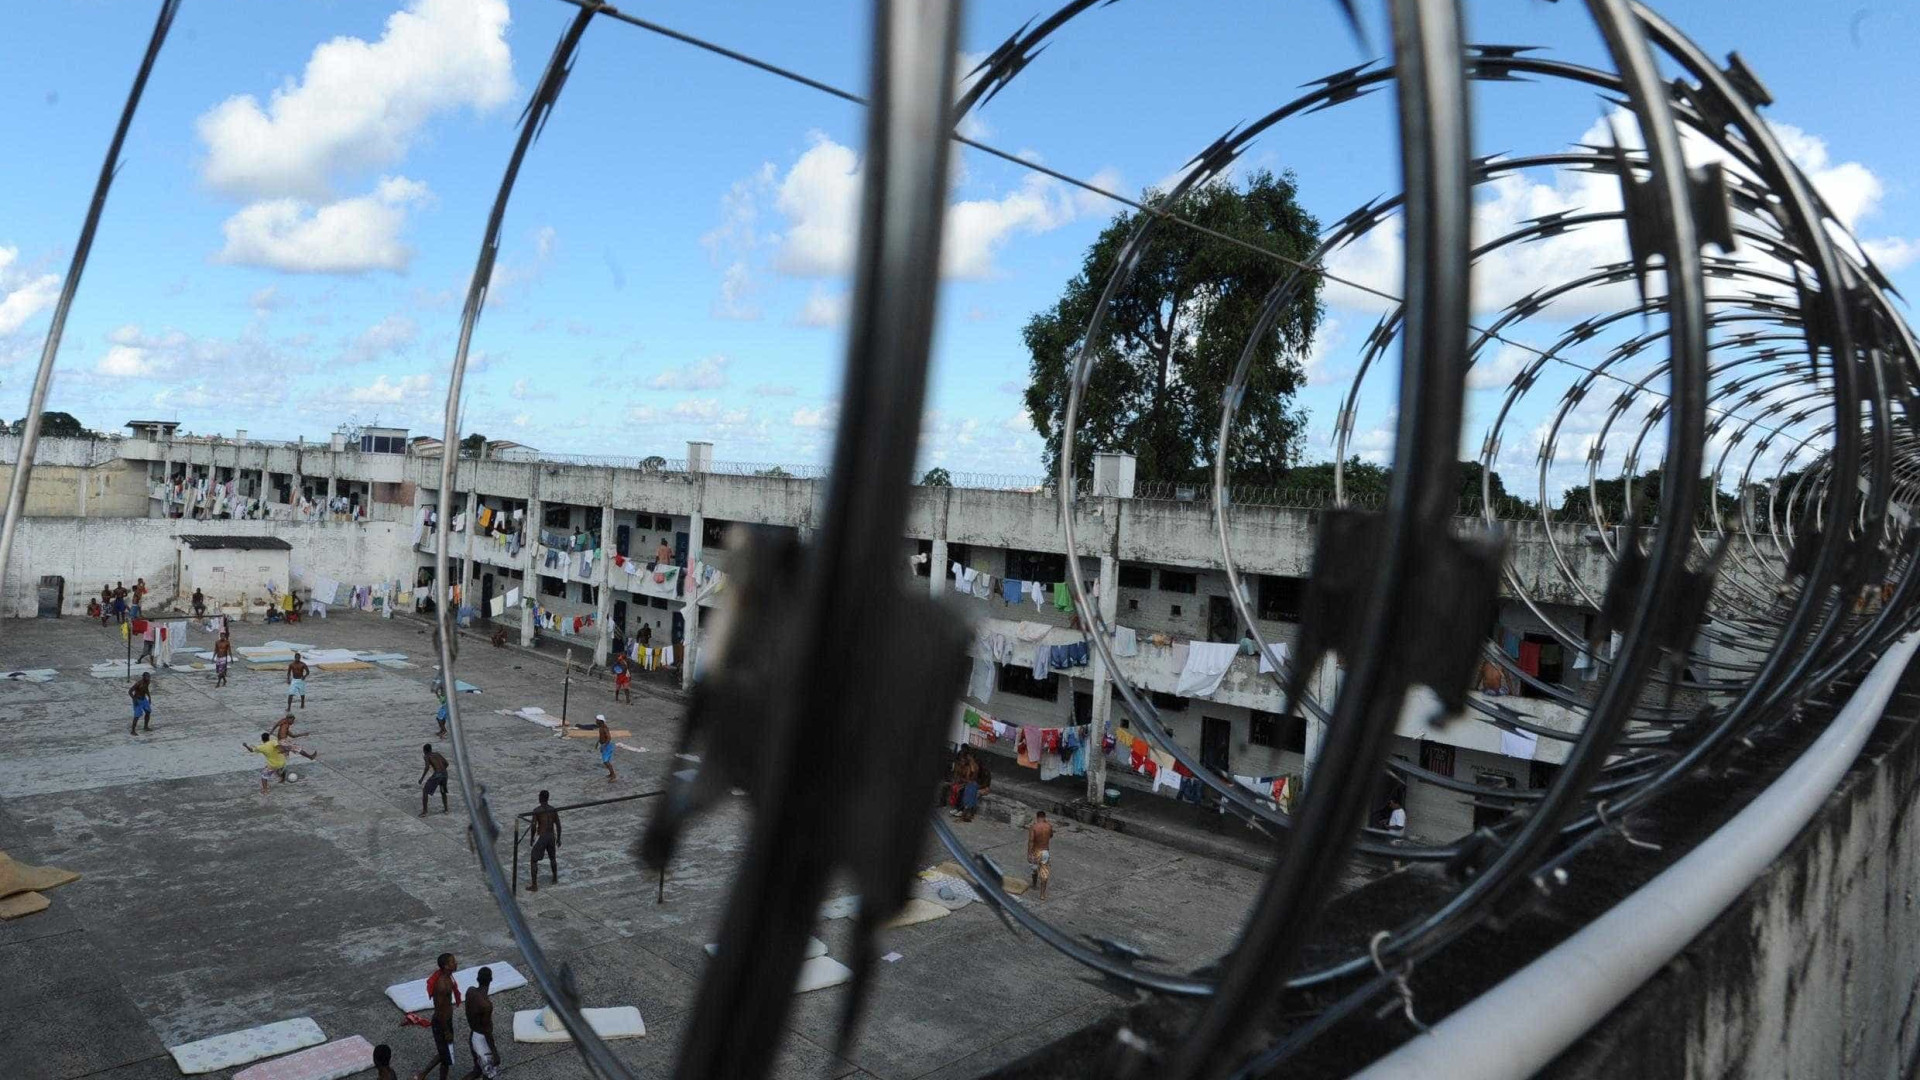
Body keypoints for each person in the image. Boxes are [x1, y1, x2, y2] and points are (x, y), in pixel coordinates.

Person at [414, 952, 460, 1080]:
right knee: (444, 1053)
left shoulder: (448, 977)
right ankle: (422, 1075)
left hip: (446, 1020)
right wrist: (446, 1030)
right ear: (445, 966)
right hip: (441, 1022)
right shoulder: (442, 985)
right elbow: (439, 1010)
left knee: (446, 1054)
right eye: (452, 962)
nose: (456, 963)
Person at [461, 965, 498, 1080]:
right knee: (489, 1075)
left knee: (477, 1070)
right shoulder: (486, 1005)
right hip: (482, 1041)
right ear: (491, 980)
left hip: (473, 1035)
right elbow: (487, 1031)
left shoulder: (470, 991)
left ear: (477, 979)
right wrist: (494, 1052)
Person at [527, 790, 561, 892]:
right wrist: (558, 838)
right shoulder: (553, 809)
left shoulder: (537, 810)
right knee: (552, 858)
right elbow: (558, 825)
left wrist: (532, 838)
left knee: (533, 859)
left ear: (541, 797)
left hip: (542, 836)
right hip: (551, 836)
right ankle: (555, 878)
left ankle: (534, 885)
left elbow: (533, 826)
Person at [1026, 809, 1053, 901]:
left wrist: (1029, 853)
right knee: (1044, 872)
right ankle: (1042, 895)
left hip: (1036, 851)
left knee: (1034, 869)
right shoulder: (1049, 826)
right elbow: (1051, 835)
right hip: (1045, 851)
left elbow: (1031, 841)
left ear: (1037, 817)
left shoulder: (1033, 827)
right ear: (1044, 817)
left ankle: (1034, 884)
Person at [420, 743, 451, 816]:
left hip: (437, 775)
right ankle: (446, 809)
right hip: (445, 774)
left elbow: (427, 767)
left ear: (425, 751)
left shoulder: (427, 756)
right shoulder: (437, 754)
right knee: (443, 791)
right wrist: (442, 771)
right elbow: (446, 763)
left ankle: (425, 811)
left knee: (425, 791)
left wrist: (422, 778)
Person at [595, 715, 616, 782]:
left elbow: (609, 738)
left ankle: (613, 775)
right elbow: (602, 736)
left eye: (597, 720)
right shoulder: (601, 727)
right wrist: (598, 742)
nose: (596, 721)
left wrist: (604, 746)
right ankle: (611, 774)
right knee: (606, 761)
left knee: (606, 762)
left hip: (606, 747)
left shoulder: (604, 728)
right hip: (605, 746)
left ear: (600, 721)